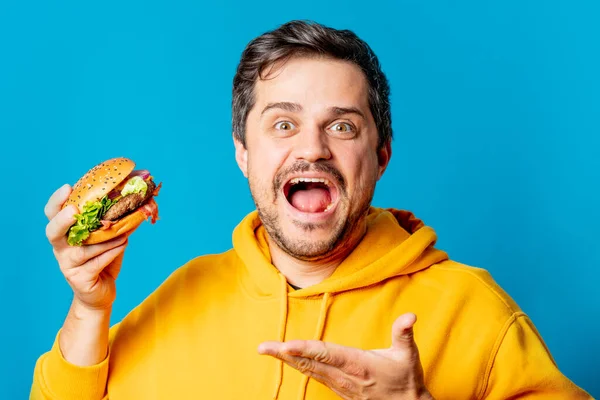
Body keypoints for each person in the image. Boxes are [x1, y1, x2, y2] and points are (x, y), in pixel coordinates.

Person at [31, 20, 592, 400]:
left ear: (380, 156)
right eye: (283, 123)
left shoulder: (477, 315)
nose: (311, 148)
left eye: (342, 126)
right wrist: (88, 311)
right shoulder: (183, 294)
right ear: (243, 155)